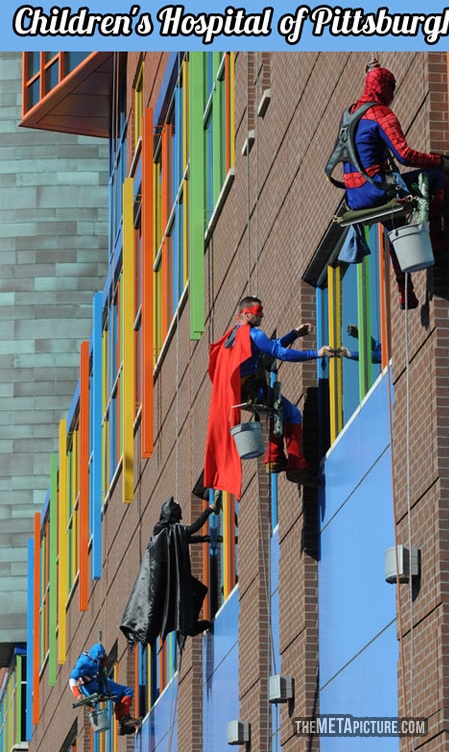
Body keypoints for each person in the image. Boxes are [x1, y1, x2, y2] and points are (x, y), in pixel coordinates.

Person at [340, 59, 449, 309]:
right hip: (376, 187)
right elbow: (404, 155)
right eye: (391, 88)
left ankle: (406, 292)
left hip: (355, 196)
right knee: (433, 178)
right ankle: (433, 237)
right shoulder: (381, 113)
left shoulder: (349, 115)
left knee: (395, 226)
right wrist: (440, 161)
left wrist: (370, 71)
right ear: (385, 88)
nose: (392, 95)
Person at [204, 296, 334, 494]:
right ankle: (296, 464)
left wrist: (293, 335)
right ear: (247, 314)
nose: (262, 315)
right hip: (252, 390)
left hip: (238, 393)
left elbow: (268, 346)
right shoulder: (253, 334)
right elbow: (279, 353)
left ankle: (274, 457)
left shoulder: (232, 336)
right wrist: (316, 353)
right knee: (292, 414)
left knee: (278, 411)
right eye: (259, 312)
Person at [120, 493, 222, 650]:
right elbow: (191, 529)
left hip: (173, 581)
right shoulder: (168, 531)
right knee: (201, 590)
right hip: (174, 582)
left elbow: (182, 538)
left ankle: (190, 624)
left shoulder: (161, 531)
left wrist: (206, 539)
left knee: (201, 590)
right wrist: (209, 509)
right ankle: (190, 625)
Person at [69, 642, 141, 736]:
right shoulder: (83, 663)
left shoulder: (96, 656)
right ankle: (125, 721)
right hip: (91, 686)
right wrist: (77, 695)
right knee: (126, 692)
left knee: (122, 695)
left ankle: (124, 723)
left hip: (99, 681)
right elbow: (72, 679)